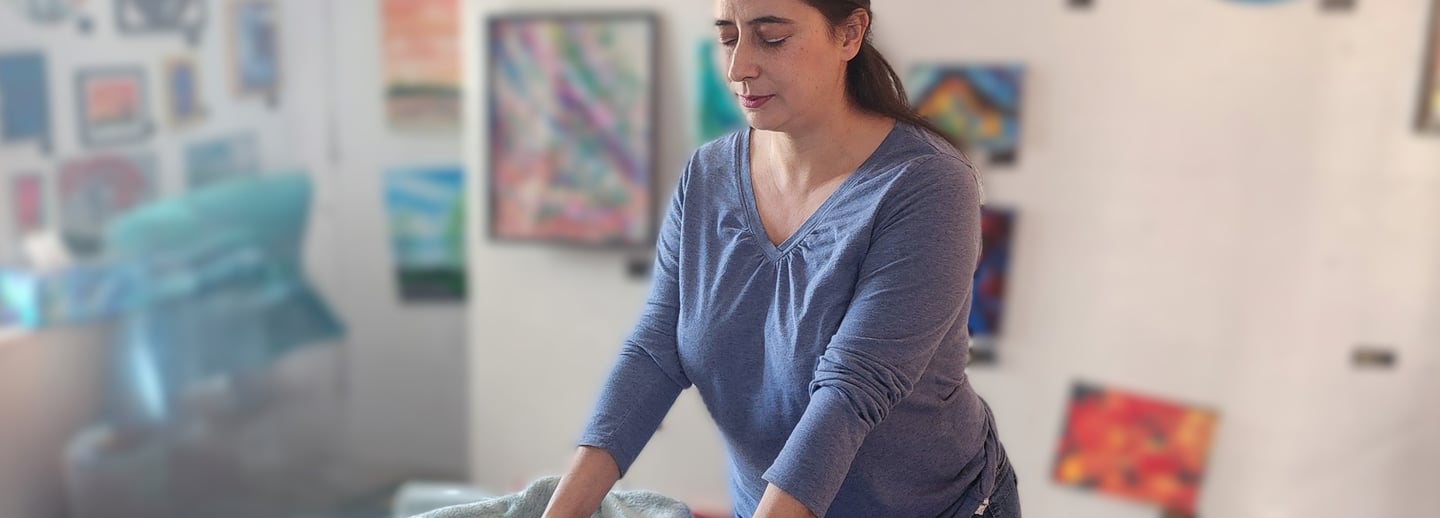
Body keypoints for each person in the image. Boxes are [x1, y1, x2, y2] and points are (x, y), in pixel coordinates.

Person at [542, 1, 1020, 516]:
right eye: (728, 38)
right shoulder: (706, 175)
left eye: (771, 38)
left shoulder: (927, 185)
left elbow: (851, 391)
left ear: (850, 34)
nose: (738, 68)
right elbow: (655, 351)